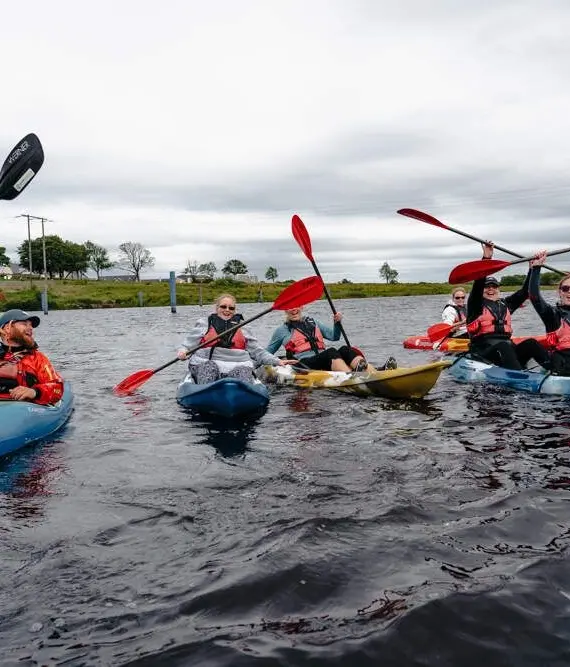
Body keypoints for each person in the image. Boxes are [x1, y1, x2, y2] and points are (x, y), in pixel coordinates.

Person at [177, 293, 294, 384]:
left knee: (243, 372)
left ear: (234, 310)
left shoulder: (243, 327)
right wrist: (183, 353)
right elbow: (187, 346)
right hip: (206, 362)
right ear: (217, 308)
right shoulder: (204, 323)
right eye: (223, 306)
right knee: (209, 368)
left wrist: (277, 361)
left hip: (236, 364)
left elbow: (258, 352)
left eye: (231, 308)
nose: (227, 310)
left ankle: (240, 398)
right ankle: (207, 394)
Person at [466, 243, 546, 370]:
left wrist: (533, 269)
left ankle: (555, 372)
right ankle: (519, 378)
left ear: (498, 289)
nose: (491, 289)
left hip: (508, 350)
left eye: (494, 286)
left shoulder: (506, 304)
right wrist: (486, 259)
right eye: (487, 287)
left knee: (531, 343)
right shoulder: (475, 305)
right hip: (484, 353)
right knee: (504, 346)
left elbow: (526, 292)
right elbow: (478, 284)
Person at [266, 306, 397, 372]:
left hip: (322, 359)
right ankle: (352, 376)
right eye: (290, 307)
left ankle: (375, 372)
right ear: (285, 310)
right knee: (331, 352)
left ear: (302, 307)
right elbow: (267, 353)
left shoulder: (313, 322)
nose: (294, 310)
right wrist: (275, 362)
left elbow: (334, 337)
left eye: (297, 306)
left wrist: (337, 323)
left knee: (346, 349)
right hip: (304, 364)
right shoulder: (281, 331)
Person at [0, 309, 64, 404]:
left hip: (24, 409)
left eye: (31, 325)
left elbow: (56, 388)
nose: (30, 328)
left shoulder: (38, 359)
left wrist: (34, 392)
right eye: (24, 324)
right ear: (7, 328)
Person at [527, 250, 570, 375]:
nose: (569, 292)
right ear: (560, 292)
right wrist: (536, 268)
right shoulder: (552, 314)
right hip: (562, 363)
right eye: (566, 288)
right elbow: (534, 296)